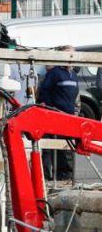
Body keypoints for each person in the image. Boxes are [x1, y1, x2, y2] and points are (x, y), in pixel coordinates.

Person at [38, 46, 79, 180]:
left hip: (69, 115)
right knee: (51, 144)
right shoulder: (55, 73)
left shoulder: (74, 75)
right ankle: (49, 175)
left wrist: (75, 112)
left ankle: (65, 173)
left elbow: (75, 95)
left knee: (67, 145)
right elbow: (45, 91)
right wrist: (51, 108)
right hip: (56, 114)